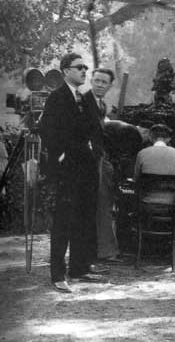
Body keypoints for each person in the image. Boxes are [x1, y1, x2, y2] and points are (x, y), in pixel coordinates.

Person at [40, 53, 104, 293]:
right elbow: (47, 130)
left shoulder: (85, 99)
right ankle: (58, 274)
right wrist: (61, 155)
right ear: (66, 70)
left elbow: (95, 129)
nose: (84, 71)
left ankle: (79, 268)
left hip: (86, 168)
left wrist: (95, 152)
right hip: (67, 169)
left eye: (86, 68)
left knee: (84, 218)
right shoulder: (57, 98)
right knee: (63, 221)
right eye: (79, 68)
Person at [84, 68, 120, 262]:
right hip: (88, 161)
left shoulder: (102, 105)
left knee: (103, 204)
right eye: (96, 80)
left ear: (109, 85)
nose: (99, 84)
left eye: (103, 82)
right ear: (91, 80)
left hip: (99, 159)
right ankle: (94, 253)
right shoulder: (83, 102)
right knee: (94, 204)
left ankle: (102, 251)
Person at [134, 123, 175, 208]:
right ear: (169, 139)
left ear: (150, 137)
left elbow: (136, 179)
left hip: (146, 201)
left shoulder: (142, 154)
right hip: (173, 203)